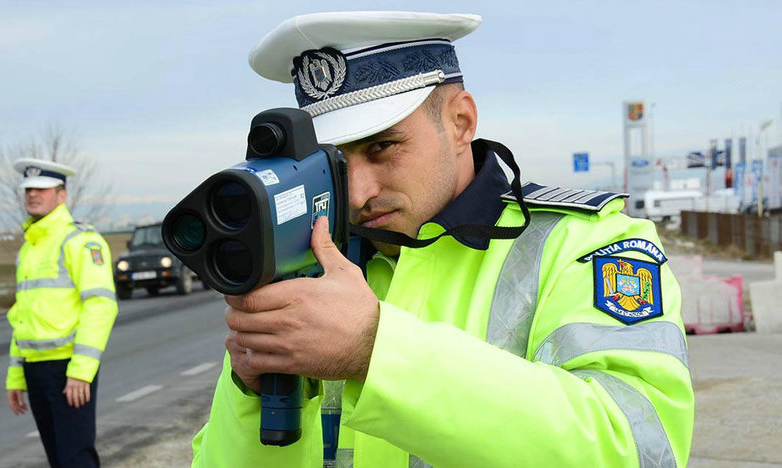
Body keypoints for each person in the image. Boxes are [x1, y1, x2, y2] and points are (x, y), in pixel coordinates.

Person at [192, 11, 693, 468]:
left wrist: (375, 351)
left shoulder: (586, 243)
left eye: (383, 146)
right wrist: (251, 393)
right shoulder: (310, 270)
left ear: (460, 121)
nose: (359, 192)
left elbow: (636, 448)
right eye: (335, 164)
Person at [5, 158, 118, 468]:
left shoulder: (80, 241)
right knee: (58, 459)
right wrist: (16, 376)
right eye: (28, 189)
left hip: (68, 369)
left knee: (75, 459)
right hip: (35, 368)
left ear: (62, 195)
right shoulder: (30, 247)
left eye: (42, 189)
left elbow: (101, 305)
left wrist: (81, 371)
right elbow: (21, 316)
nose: (32, 195)